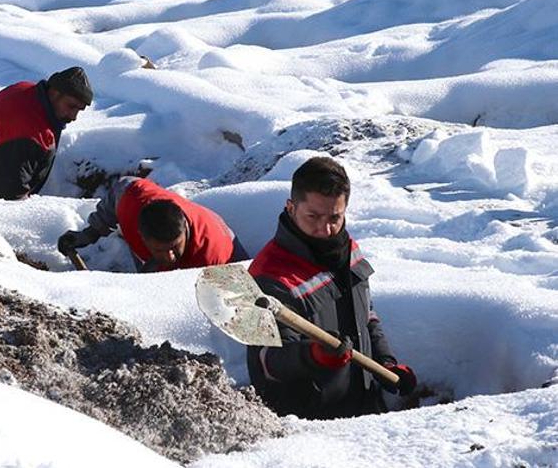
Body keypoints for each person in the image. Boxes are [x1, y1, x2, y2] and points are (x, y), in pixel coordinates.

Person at [246, 157, 416, 419]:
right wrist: (314, 355)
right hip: (313, 424)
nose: (325, 229)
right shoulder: (269, 276)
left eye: (335, 217)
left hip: (365, 408)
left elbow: (367, 316)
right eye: (313, 216)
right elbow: (267, 362)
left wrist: (386, 363)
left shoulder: (348, 250)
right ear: (291, 208)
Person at [0, 67, 92, 200]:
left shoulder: (25, 91)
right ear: (54, 93)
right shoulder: (28, 130)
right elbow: (12, 194)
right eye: (71, 106)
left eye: (79, 110)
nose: (73, 116)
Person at [57, 176, 249, 272]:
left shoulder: (209, 260)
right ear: (141, 234)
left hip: (227, 246)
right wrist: (89, 234)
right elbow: (120, 189)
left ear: (184, 231)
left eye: (174, 247)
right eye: (160, 249)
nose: (170, 256)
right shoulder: (131, 198)